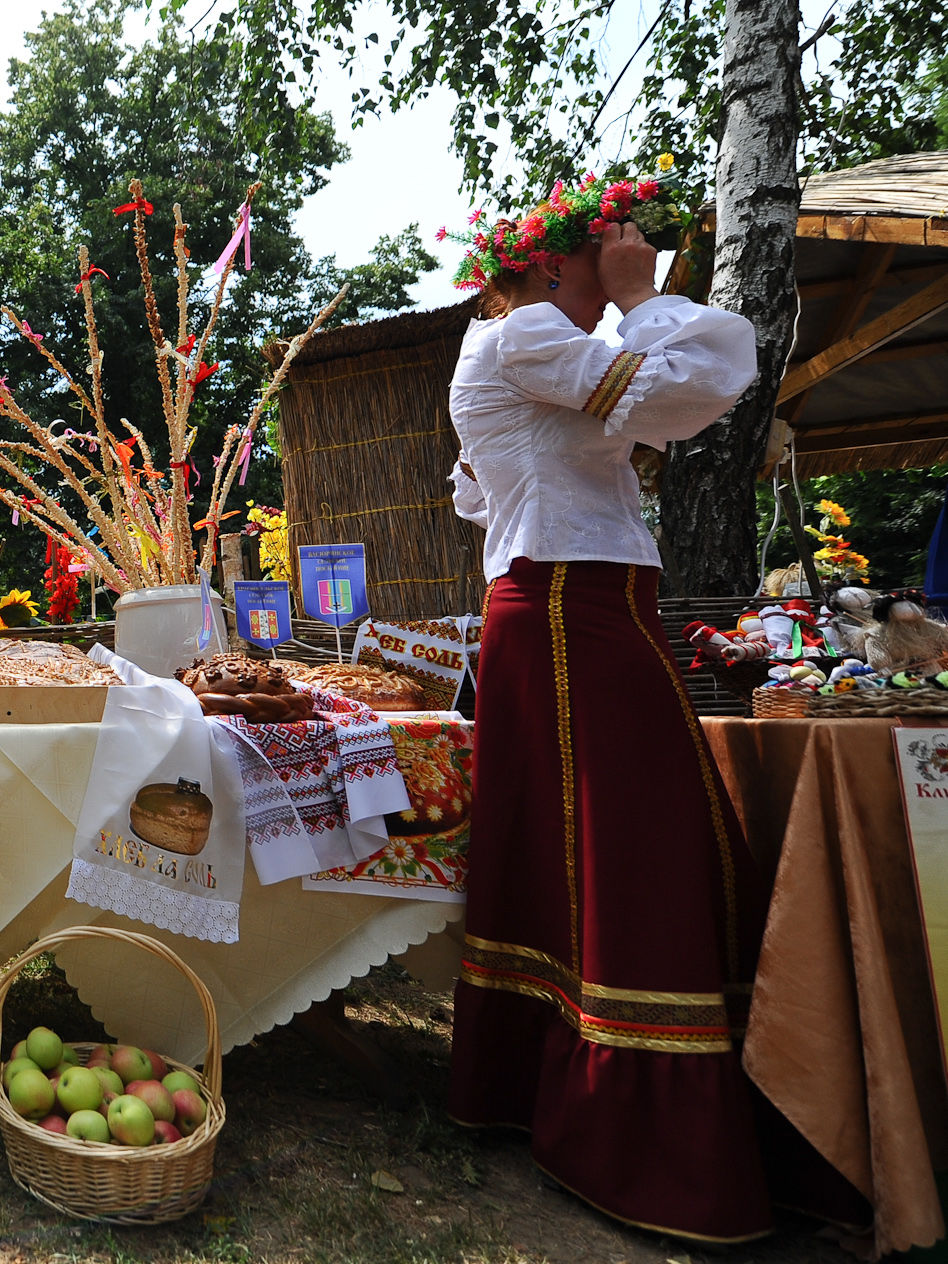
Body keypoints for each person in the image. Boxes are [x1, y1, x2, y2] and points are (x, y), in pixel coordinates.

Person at [443, 176, 777, 1241]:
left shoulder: (525, 344)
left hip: (575, 604)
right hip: (565, 608)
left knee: (610, 845)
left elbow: (511, 475)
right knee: (629, 846)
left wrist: (626, 307)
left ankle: (539, 1086)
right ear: (552, 264)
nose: (631, 255)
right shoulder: (529, 333)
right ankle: (627, 1133)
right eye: (613, 246)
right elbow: (691, 391)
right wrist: (645, 297)